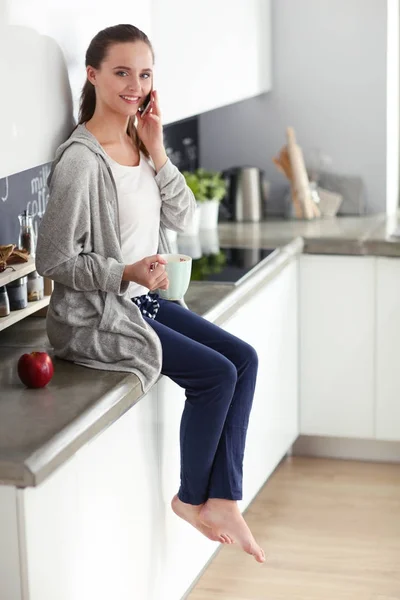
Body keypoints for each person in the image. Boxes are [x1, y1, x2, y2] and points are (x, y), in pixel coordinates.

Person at [36, 24, 265, 563]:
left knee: (245, 359)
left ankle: (224, 497)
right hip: (100, 312)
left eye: (143, 73)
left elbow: (181, 216)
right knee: (217, 375)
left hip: (145, 299)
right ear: (92, 77)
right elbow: (53, 261)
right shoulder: (79, 163)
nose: (134, 84)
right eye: (121, 72)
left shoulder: (141, 141)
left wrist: (159, 151)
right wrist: (126, 272)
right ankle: (193, 500)